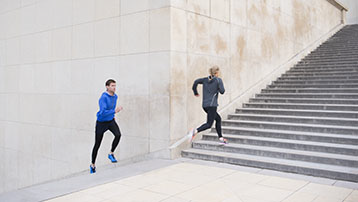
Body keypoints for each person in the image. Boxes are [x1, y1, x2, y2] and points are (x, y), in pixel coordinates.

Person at [90, 79, 123, 174]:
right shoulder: (103, 98)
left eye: (115, 85)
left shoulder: (115, 96)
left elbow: (112, 108)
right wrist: (115, 111)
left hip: (111, 121)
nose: (114, 87)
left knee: (118, 135)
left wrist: (113, 116)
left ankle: (111, 153)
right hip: (101, 123)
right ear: (107, 87)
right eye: (112, 86)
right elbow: (103, 112)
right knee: (97, 144)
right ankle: (92, 164)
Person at [189, 66, 227, 144]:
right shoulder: (218, 80)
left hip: (205, 106)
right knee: (209, 124)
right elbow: (222, 91)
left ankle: (221, 138)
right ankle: (195, 131)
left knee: (218, 119)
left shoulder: (205, 80)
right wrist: (218, 86)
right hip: (212, 105)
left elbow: (196, 81)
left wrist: (195, 92)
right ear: (216, 73)